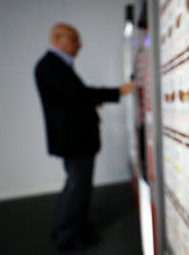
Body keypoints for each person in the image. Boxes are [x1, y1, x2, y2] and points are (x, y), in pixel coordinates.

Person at [34, 23, 135, 251]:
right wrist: (119, 91)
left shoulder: (55, 65)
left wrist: (89, 102)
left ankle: (73, 227)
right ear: (58, 40)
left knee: (77, 185)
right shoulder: (51, 66)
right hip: (74, 140)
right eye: (74, 40)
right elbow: (79, 94)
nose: (79, 45)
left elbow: (71, 99)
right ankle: (67, 235)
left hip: (75, 138)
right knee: (77, 187)